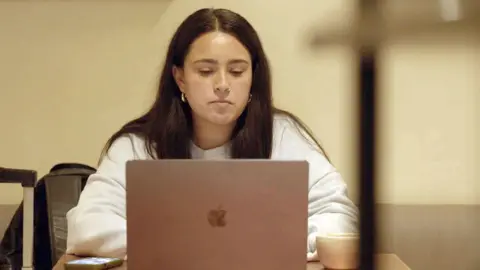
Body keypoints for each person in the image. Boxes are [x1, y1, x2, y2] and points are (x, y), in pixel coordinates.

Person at [65, 7, 358, 261]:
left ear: (253, 77)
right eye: (206, 71)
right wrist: (187, 246)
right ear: (180, 78)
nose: (222, 85)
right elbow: (87, 226)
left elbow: (339, 216)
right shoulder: (139, 145)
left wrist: (276, 246)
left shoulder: (283, 135)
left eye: (237, 71)